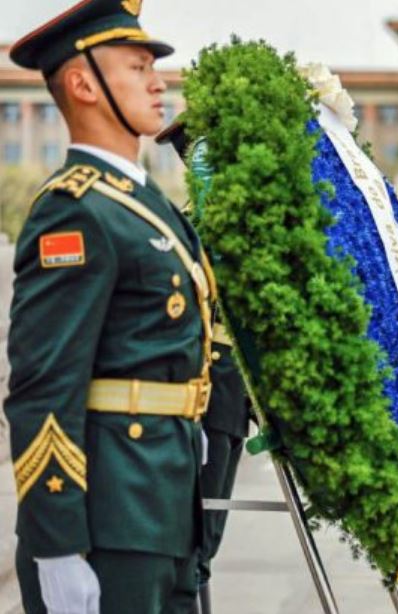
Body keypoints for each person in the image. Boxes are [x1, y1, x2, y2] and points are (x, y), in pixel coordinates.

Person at [4, 1, 212, 612]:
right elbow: (43, 386)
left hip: (163, 500)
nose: (158, 82)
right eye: (137, 66)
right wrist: (58, 545)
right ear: (82, 83)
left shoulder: (144, 204)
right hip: (109, 517)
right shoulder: (74, 210)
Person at [157, 118, 253, 614]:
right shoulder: (186, 228)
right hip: (203, 394)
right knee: (194, 541)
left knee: (203, 537)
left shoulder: (233, 224)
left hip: (226, 396)